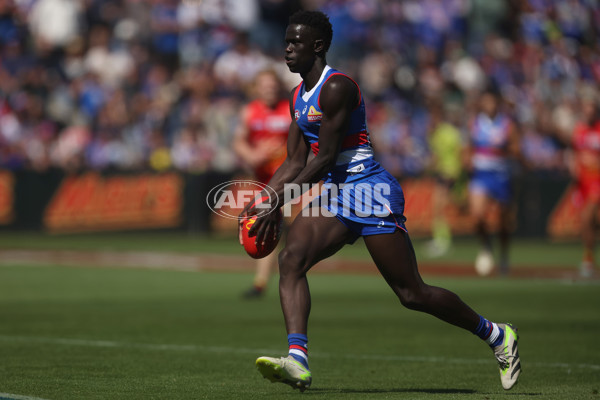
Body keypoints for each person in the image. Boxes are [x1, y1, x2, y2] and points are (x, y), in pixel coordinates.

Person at [241, 10, 520, 392]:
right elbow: (294, 161)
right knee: (292, 260)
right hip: (337, 194)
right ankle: (298, 361)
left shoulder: (337, 87)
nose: (286, 48)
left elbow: (323, 159)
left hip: (370, 190)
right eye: (286, 40)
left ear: (318, 46)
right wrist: (265, 199)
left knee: (412, 293)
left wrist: (281, 199)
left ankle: (496, 335)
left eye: (295, 42)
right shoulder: (297, 96)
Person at [233, 69, 291, 298]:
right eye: (265, 86)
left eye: (273, 85)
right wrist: (253, 155)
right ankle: (261, 282)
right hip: (264, 182)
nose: (270, 89)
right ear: (257, 88)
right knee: (269, 230)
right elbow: (239, 141)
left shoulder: (290, 109)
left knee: (289, 227)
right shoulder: (249, 112)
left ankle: (279, 278)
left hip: (291, 180)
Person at [466, 86, 521, 276]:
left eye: (492, 102)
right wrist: (467, 160)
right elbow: (468, 146)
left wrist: (503, 148)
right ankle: (486, 246)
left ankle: (504, 255)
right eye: (485, 102)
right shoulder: (475, 123)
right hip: (481, 175)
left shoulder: (507, 125)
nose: (488, 105)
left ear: (497, 104)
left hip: (501, 175)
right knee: (477, 216)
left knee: (504, 222)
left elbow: (516, 149)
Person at [425, 102, 465, 257]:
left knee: (439, 207)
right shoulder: (437, 134)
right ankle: (441, 240)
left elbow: (459, 153)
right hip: (446, 172)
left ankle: (442, 242)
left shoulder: (448, 133)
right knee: (440, 207)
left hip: (450, 173)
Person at [571, 88, 600, 278]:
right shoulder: (579, 130)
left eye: (591, 107)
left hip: (597, 179)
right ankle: (588, 257)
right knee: (587, 222)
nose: (588, 110)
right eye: (586, 107)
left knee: (589, 216)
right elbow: (576, 153)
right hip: (583, 181)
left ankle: (588, 261)